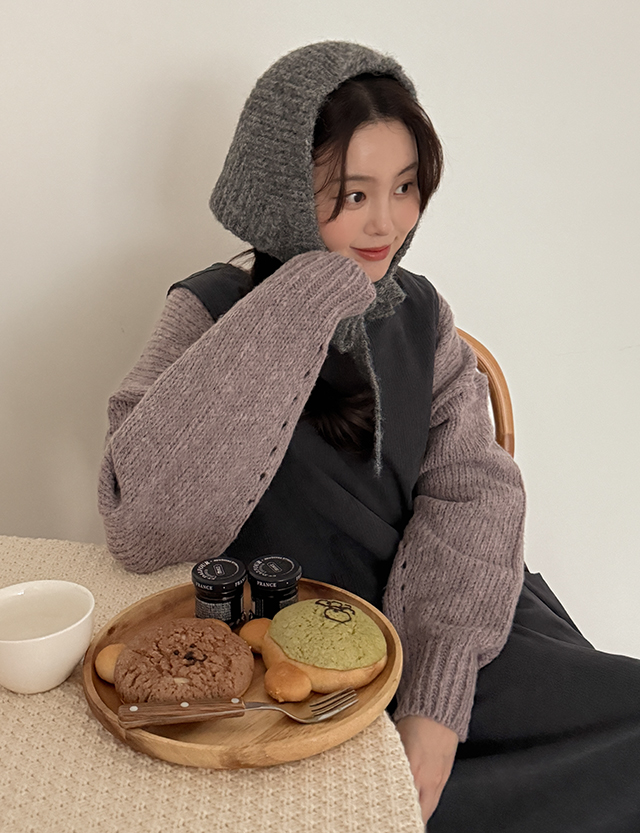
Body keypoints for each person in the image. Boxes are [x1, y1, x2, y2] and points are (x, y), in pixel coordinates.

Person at [99, 42, 640, 831]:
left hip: (451, 622)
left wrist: (436, 698)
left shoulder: (422, 316)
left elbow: (474, 494)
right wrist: (305, 295)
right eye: (353, 194)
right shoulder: (207, 311)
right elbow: (145, 524)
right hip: (287, 656)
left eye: (405, 187)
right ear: (284, 193)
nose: (386, 222)